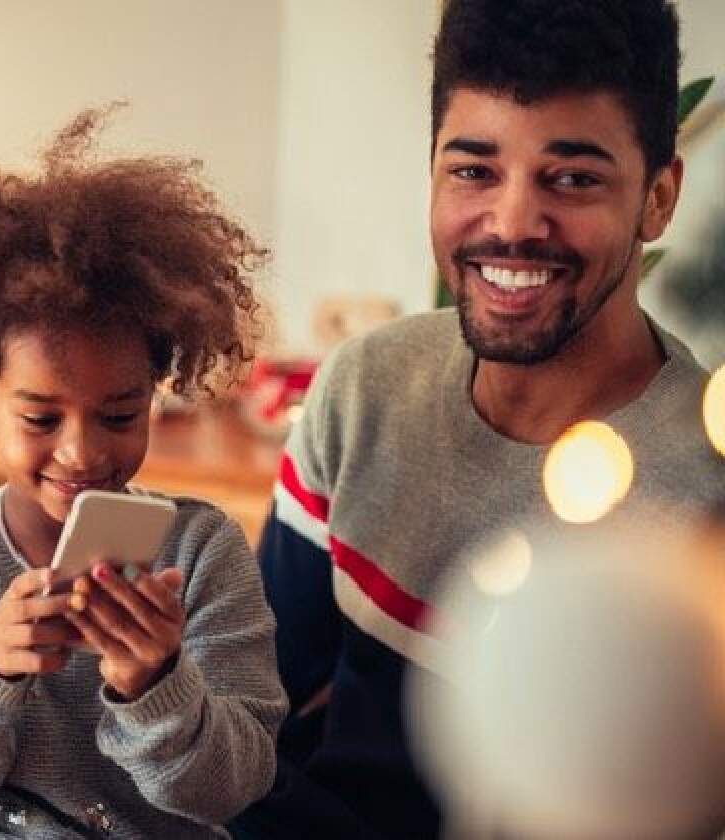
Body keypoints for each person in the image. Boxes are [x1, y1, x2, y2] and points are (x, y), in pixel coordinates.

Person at [231, 1, 725, 838]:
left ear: (658, 198)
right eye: (473, 170)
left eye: (573, 178)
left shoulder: (702, 499)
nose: (511, 223)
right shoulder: (364, 389)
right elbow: (252, 701)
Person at [0, 107, 288, 839]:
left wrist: (155, 687)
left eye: (119, 416)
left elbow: (233, 793)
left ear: (156, 390)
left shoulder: (201, 552)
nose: (83, 454)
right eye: (40, 419)